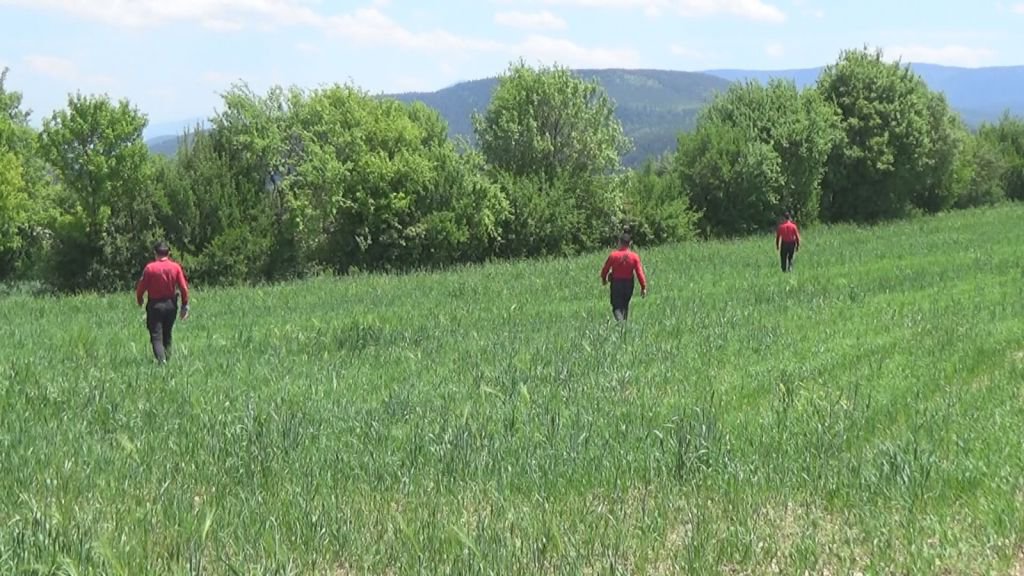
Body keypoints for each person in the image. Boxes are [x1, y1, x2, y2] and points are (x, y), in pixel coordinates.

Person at [136, 241, 190, 364]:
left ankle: (162, 361)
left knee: (156, 335)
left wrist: (140, 300)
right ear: (168, 253)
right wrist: (184, 305)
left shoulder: (150, 268)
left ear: (155, 253)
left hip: (155, 305)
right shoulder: (175, 267)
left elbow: (140, 288)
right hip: (171, 305)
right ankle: (167, 358)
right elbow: (183, 288)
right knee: (167, 333)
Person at [600, 232, 648, 321]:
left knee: (616, 307)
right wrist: (643, 287)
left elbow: (605, 269)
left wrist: (604, 278)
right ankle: (624, 328)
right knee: (625, 305)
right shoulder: (634, 257)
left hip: (616, 284)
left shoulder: (613, 255)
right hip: (629, 284)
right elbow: (639, 272)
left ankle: (621, 324)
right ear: (630, 243)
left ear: (620, 242)